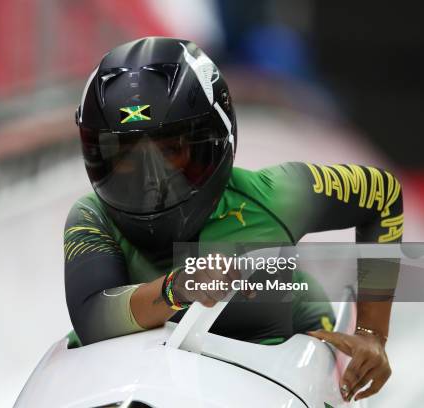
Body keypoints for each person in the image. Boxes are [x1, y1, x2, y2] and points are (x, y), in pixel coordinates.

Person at [64, 37, 402, 402]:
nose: (151, 182)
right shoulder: (91, 216)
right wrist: (178, 287)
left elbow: (382, 195)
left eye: (171, 152)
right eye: (124, 157)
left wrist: (372, 333)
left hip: (285, 353)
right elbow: (95, 315)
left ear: (214, 140)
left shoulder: (280, 195)